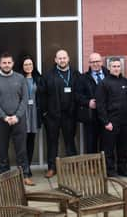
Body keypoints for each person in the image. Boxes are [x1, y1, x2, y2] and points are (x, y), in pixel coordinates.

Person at [0, 53, 33, 185]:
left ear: (12, 64)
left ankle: (25, 175)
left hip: (19, 120)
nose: (6, 65)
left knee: (21, 149)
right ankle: (5, 177)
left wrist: (17, 116)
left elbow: (25, 99)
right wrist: (4, 116)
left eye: (9, 62)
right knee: (2, 150)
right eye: (4, 63)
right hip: (0, 121)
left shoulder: (20, 78)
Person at [41, 49, 80, 178]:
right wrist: (45, 113)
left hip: (69, 114)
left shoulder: (75, 74)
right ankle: (52, 168)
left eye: (64, 58)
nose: (62, 60)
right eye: (59, 58)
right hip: (53, 116)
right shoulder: (48, 75)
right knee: (52, 142)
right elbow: (42, 95)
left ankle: (74, 166)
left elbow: (79, 93)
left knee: (70, 141)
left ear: (68, 59)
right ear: (55, 60)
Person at [96, 58, 127, 177]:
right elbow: (100, 105)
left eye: (118, 66)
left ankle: (123, 169)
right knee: (109, 148)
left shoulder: (125, 82)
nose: (116, 68)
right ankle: (110, 170)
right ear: (109, 68)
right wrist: (106, 122)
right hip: (111, 122)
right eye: (114, 66)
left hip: (125, 122)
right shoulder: (104, 83)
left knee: (123, 147)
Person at [75, 52, 108, 154]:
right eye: (93, 62)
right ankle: (92, 168)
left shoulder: (109, 75)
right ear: (89, 63)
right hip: (90, 117)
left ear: (101, 62)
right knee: (91, 145)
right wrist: (87, 102)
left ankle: (106, 168)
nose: (95, 64)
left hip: (107, 116)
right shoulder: (83, 78)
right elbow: (77, 95)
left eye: (97, 61)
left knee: (106, 144)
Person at [20, 56, 42, 174]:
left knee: (31, 142)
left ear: (33, 66)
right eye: (26, 65)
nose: (28, 67)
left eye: (30, 64)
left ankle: (28, 167)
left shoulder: (38, 79)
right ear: (22, 67)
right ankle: (22, 168)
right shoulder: (19, 79)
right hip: (23, 113)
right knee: (22, 142)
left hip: (34, 113)